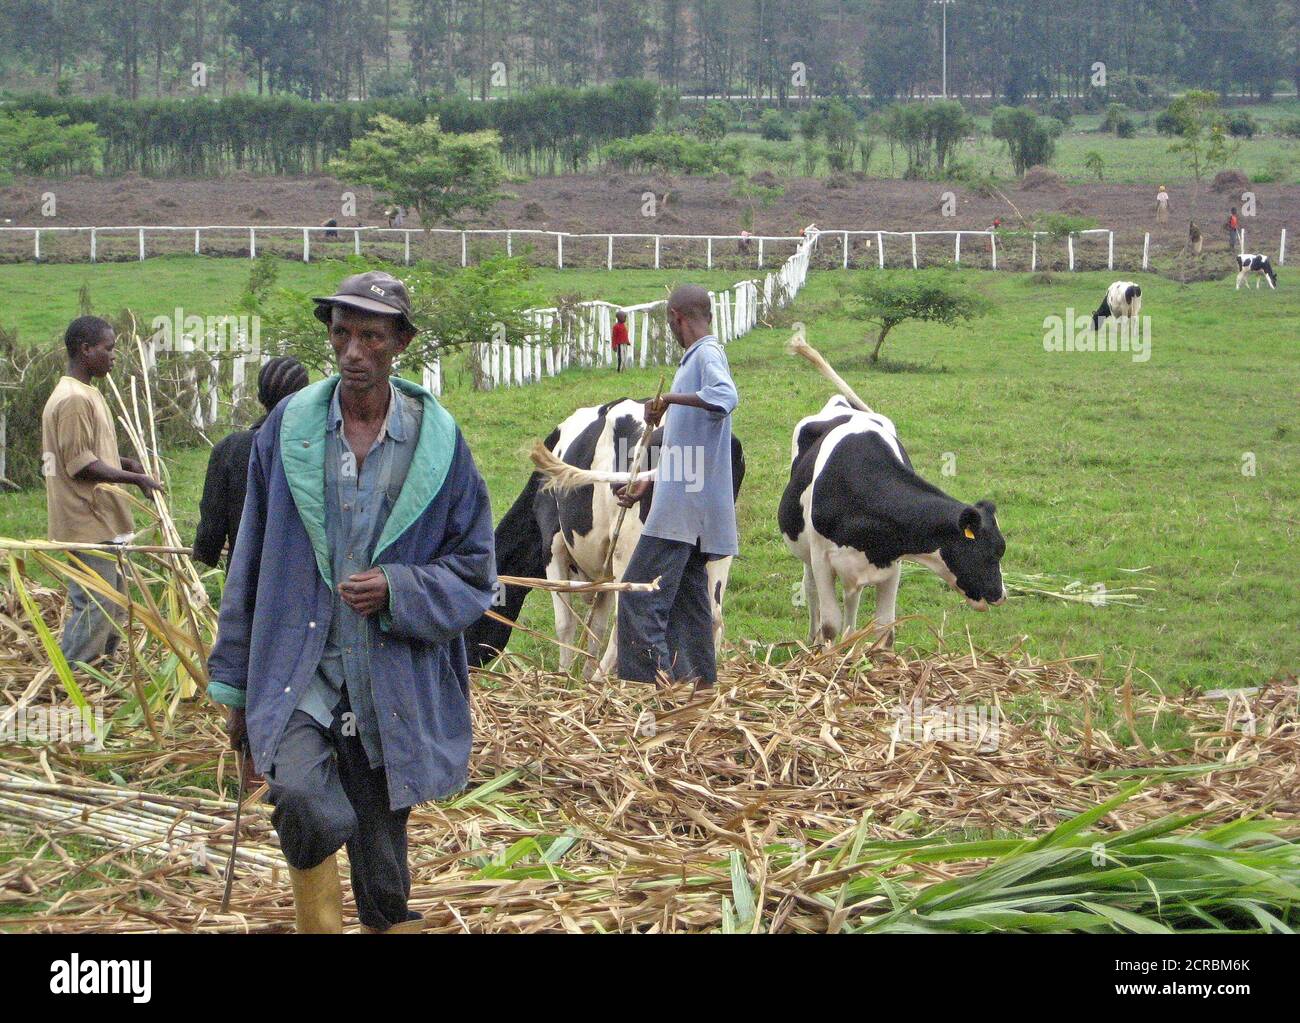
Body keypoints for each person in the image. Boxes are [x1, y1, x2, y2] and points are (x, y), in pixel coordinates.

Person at [206, 270, 496, 933]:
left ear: (400, 342)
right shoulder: (290, 430)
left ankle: (384, 916)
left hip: (388, 680)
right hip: (299, 670)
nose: (353, 351)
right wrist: (233, 688)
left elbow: (478, 569)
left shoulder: (438, 444)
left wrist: (399, 587)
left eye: (371, 336)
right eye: (342, 334)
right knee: (305, 802)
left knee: (384, 868)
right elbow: (247, 557)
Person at [615, 284, 738, 692]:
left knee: (637, 594)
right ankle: (699, 689)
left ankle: (651, 689)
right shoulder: (696, 358)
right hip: (686, 502)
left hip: (682, 510)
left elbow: (725, 396)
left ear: (676, 318)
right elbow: (683, 442)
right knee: (689, 603)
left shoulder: (706, 354)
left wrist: (668, 396)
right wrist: (645, 483)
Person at [41, 316, 163, 668]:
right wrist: (134, 480)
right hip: (86, 519)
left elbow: (90, 452)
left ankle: (102, 670)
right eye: (108, 349)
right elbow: (79, 464)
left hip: (101, 520)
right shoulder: (74, 400)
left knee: (112, 599)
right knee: (95, 602)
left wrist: (128, 463)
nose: (114, 356)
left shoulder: (85, 394)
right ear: (85, 349)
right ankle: (76, 674)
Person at [192, 357, 309, 568]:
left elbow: (211, 532)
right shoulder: (317, 449)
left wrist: (205, 551)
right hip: (302, 586)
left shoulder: (230, 449)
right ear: (305, 399)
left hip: (246, 583)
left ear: (259, 397)